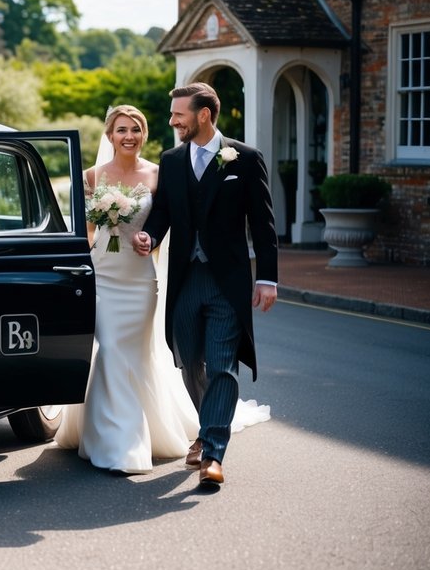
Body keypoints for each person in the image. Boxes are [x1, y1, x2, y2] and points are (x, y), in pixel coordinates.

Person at [133, 82, 278, 487]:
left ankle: (213, 452)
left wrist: (266, 277)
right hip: (184, 278)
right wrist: (150, 236)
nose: (172, 121)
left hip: (226, 281)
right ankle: (205, 426)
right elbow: (162, 212)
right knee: (187, 358)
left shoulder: (244, 158)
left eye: (179, 114)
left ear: (203, 115)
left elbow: (264, 224)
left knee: (221, 366)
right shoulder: (172, 160)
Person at [55, 105, 200, 474]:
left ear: (144, 134)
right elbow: (85, 233)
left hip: (139, 279)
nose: (129, 136)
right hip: (102, 275)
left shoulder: (158, 173)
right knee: (111, 351)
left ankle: (135, 432)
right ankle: (118, 443)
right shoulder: (90, 176)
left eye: (135, 129)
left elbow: (165, 223)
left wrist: (149, 241)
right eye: (121, 129)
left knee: (133, 355)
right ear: (109, 135)